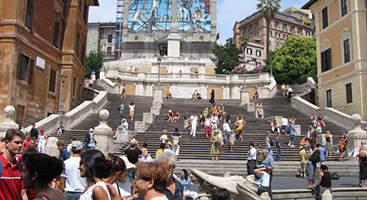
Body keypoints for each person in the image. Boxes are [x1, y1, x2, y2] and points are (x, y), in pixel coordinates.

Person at [0, 129, 28, 200]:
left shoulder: (20, 166)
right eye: (17, 142)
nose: (20, 145)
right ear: (7, 143)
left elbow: (23, 193)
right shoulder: (0, 165)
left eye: (21, 143)